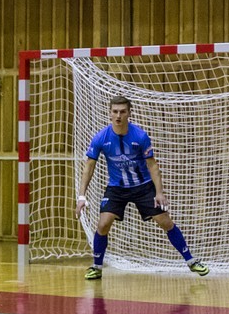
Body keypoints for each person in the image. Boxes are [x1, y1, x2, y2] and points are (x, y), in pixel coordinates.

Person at [75, 95, 208, 280]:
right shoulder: (101, 138)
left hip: (143, 187)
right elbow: (89, 166)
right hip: (117, 188)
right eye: (115, 112)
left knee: (165, 221)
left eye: (122, 112)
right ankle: (96, 267)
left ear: (129, 113)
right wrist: (81, 196)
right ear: (110, 113)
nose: (118, 116)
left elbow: (152, 165)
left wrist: (159, 192)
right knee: (103, 224)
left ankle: (191, 261)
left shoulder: (140, 136)